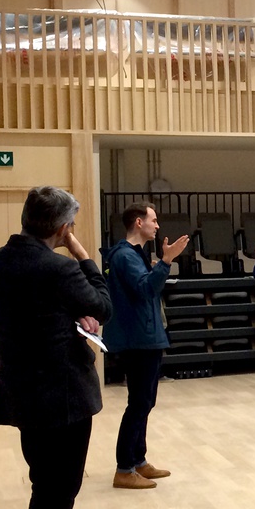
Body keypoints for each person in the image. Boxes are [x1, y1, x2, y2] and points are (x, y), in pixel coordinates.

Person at [0, 187, 111, 509]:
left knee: (47, 492)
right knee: (53, 503)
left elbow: (29, 319)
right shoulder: (57, 266)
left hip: (24, 394)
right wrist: (82, 255)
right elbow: (103, 305)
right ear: (63, 227)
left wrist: (65, 323)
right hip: (63, 399)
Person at [103, 202, 190, 491]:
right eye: (153, 220)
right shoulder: (126, 256)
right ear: (138, 223)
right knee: (138, 403)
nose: (157, 225)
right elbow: (144, 289)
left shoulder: (135, 255)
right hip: (137, 339)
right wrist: (166, 262)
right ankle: (124, 468)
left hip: (146, 336)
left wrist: (160, 264)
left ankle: (138, 460)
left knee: (145, 402)